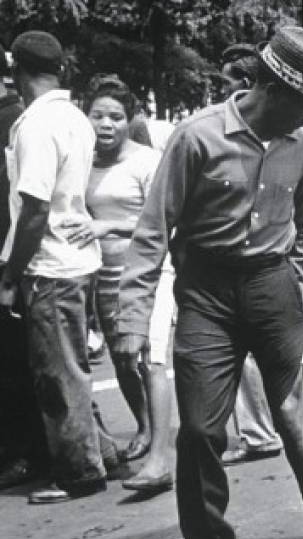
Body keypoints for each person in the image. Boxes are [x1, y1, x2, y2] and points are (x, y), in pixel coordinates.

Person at [116, 26, 303, 539]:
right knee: (198, 430)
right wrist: (133, 318)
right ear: (271, 87)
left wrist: (296, 283)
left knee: (292, 415)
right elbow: (151, 231)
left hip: (271, 290)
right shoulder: (197, 138)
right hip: (208, 295)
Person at [0, 31, 107, 504]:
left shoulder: (34, 124)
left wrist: (10, 272)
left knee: (57, 373)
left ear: (15, 67)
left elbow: (34, 210)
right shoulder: (75, 116)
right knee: (74, 365)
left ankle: (79, 472)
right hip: (79, 260)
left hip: (51, 264)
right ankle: (98, 451)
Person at [59, 77, 176, 492]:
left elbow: (164, 220)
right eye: (98, 115)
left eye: (116, 116)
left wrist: (108, 224)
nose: (106, 124)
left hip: (147, 273)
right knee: (123, 359)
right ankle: (144, 428)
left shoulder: (147, 161)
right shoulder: (80, 160)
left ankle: (162, 454)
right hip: (102, 275)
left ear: (130, 121)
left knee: (149, 358)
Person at [216, 43, 285, 467]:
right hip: (258, 258)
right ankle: (261, 428)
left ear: (246, 85)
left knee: (248, 355)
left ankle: (260, 431)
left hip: (256, 262)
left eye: (227, 83)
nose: (222, 92)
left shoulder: (266, 136)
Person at [0, 47, 49, 491]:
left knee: (20, 361)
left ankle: (30, 453)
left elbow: (28, 204)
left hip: (15, 256)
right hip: (18, 254)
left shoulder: (18, 120)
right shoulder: (21, 115)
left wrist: (10, 272)